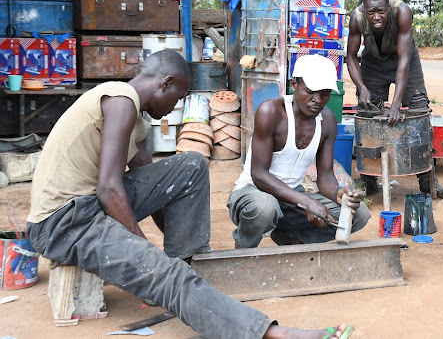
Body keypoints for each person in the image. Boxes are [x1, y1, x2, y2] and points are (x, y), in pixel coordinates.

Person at [26, 50, 352, 339]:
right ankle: (269, 332)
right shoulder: (121, 102)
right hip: (64, 222)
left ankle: (188, 259)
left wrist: (176, 255)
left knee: (192, 164)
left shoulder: (135, 123)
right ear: (165, 83)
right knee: (167, 274)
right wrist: (148, 256)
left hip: (87, 206)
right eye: (178, 98)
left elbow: (156, 188)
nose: (174, 108)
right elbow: (109, 188)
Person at [228, 54, 370, 248]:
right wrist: (306, 201)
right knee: (265, 208)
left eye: (325, 93)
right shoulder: (271, 112)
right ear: (294, 84)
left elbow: (325, 176)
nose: (318, 100)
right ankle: (242, 250)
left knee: (359, 214)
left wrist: (338, 192)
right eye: (310, 92)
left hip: (292, 198)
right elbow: (259, 174)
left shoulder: (327, 121)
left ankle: (290, 237)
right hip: (253, 192)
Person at [346, 0, 443, 198]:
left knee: (420, 111)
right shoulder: (356, 18)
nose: (376, 17)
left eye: (381, 11)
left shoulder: (402, 12)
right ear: (364, 10)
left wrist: (396, 105)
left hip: (405, 61)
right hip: (373, 62)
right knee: (368, 113)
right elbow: (350, 57)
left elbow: (403, 61)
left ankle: (427, 179)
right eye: (371, 12)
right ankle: (369, 178)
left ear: (388, 7)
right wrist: (362, 88)